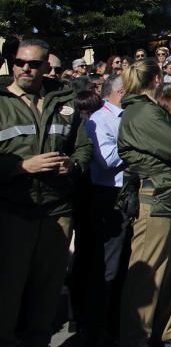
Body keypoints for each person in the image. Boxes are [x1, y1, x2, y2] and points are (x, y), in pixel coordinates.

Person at [0, 39, 92, 347]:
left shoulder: (63, 102)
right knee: (7, 294)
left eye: (34, 64)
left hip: (57, 211)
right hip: (13, 213)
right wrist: (21, 166)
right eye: (19, 62)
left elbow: (83, 146)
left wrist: (74, 165)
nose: (25, 68)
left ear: (46, 66)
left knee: (46, 293)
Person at [117, 58, 171, 347]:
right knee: (147, 272)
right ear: (155, 79)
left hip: (165, 194)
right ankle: (135, 336)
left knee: (165, 268)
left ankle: (165, 329)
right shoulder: (142, 112)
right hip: (154, 195)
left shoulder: (148, 110)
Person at [77, 75, 129, 346]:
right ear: (120, 92)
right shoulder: (100, 119)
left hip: (123, 195)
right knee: (108, 266)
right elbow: (107, 159)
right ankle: (97, 328)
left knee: (121, 265)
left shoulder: (122, 117)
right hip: (108, 196)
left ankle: (114, 322)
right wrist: (134, 147)